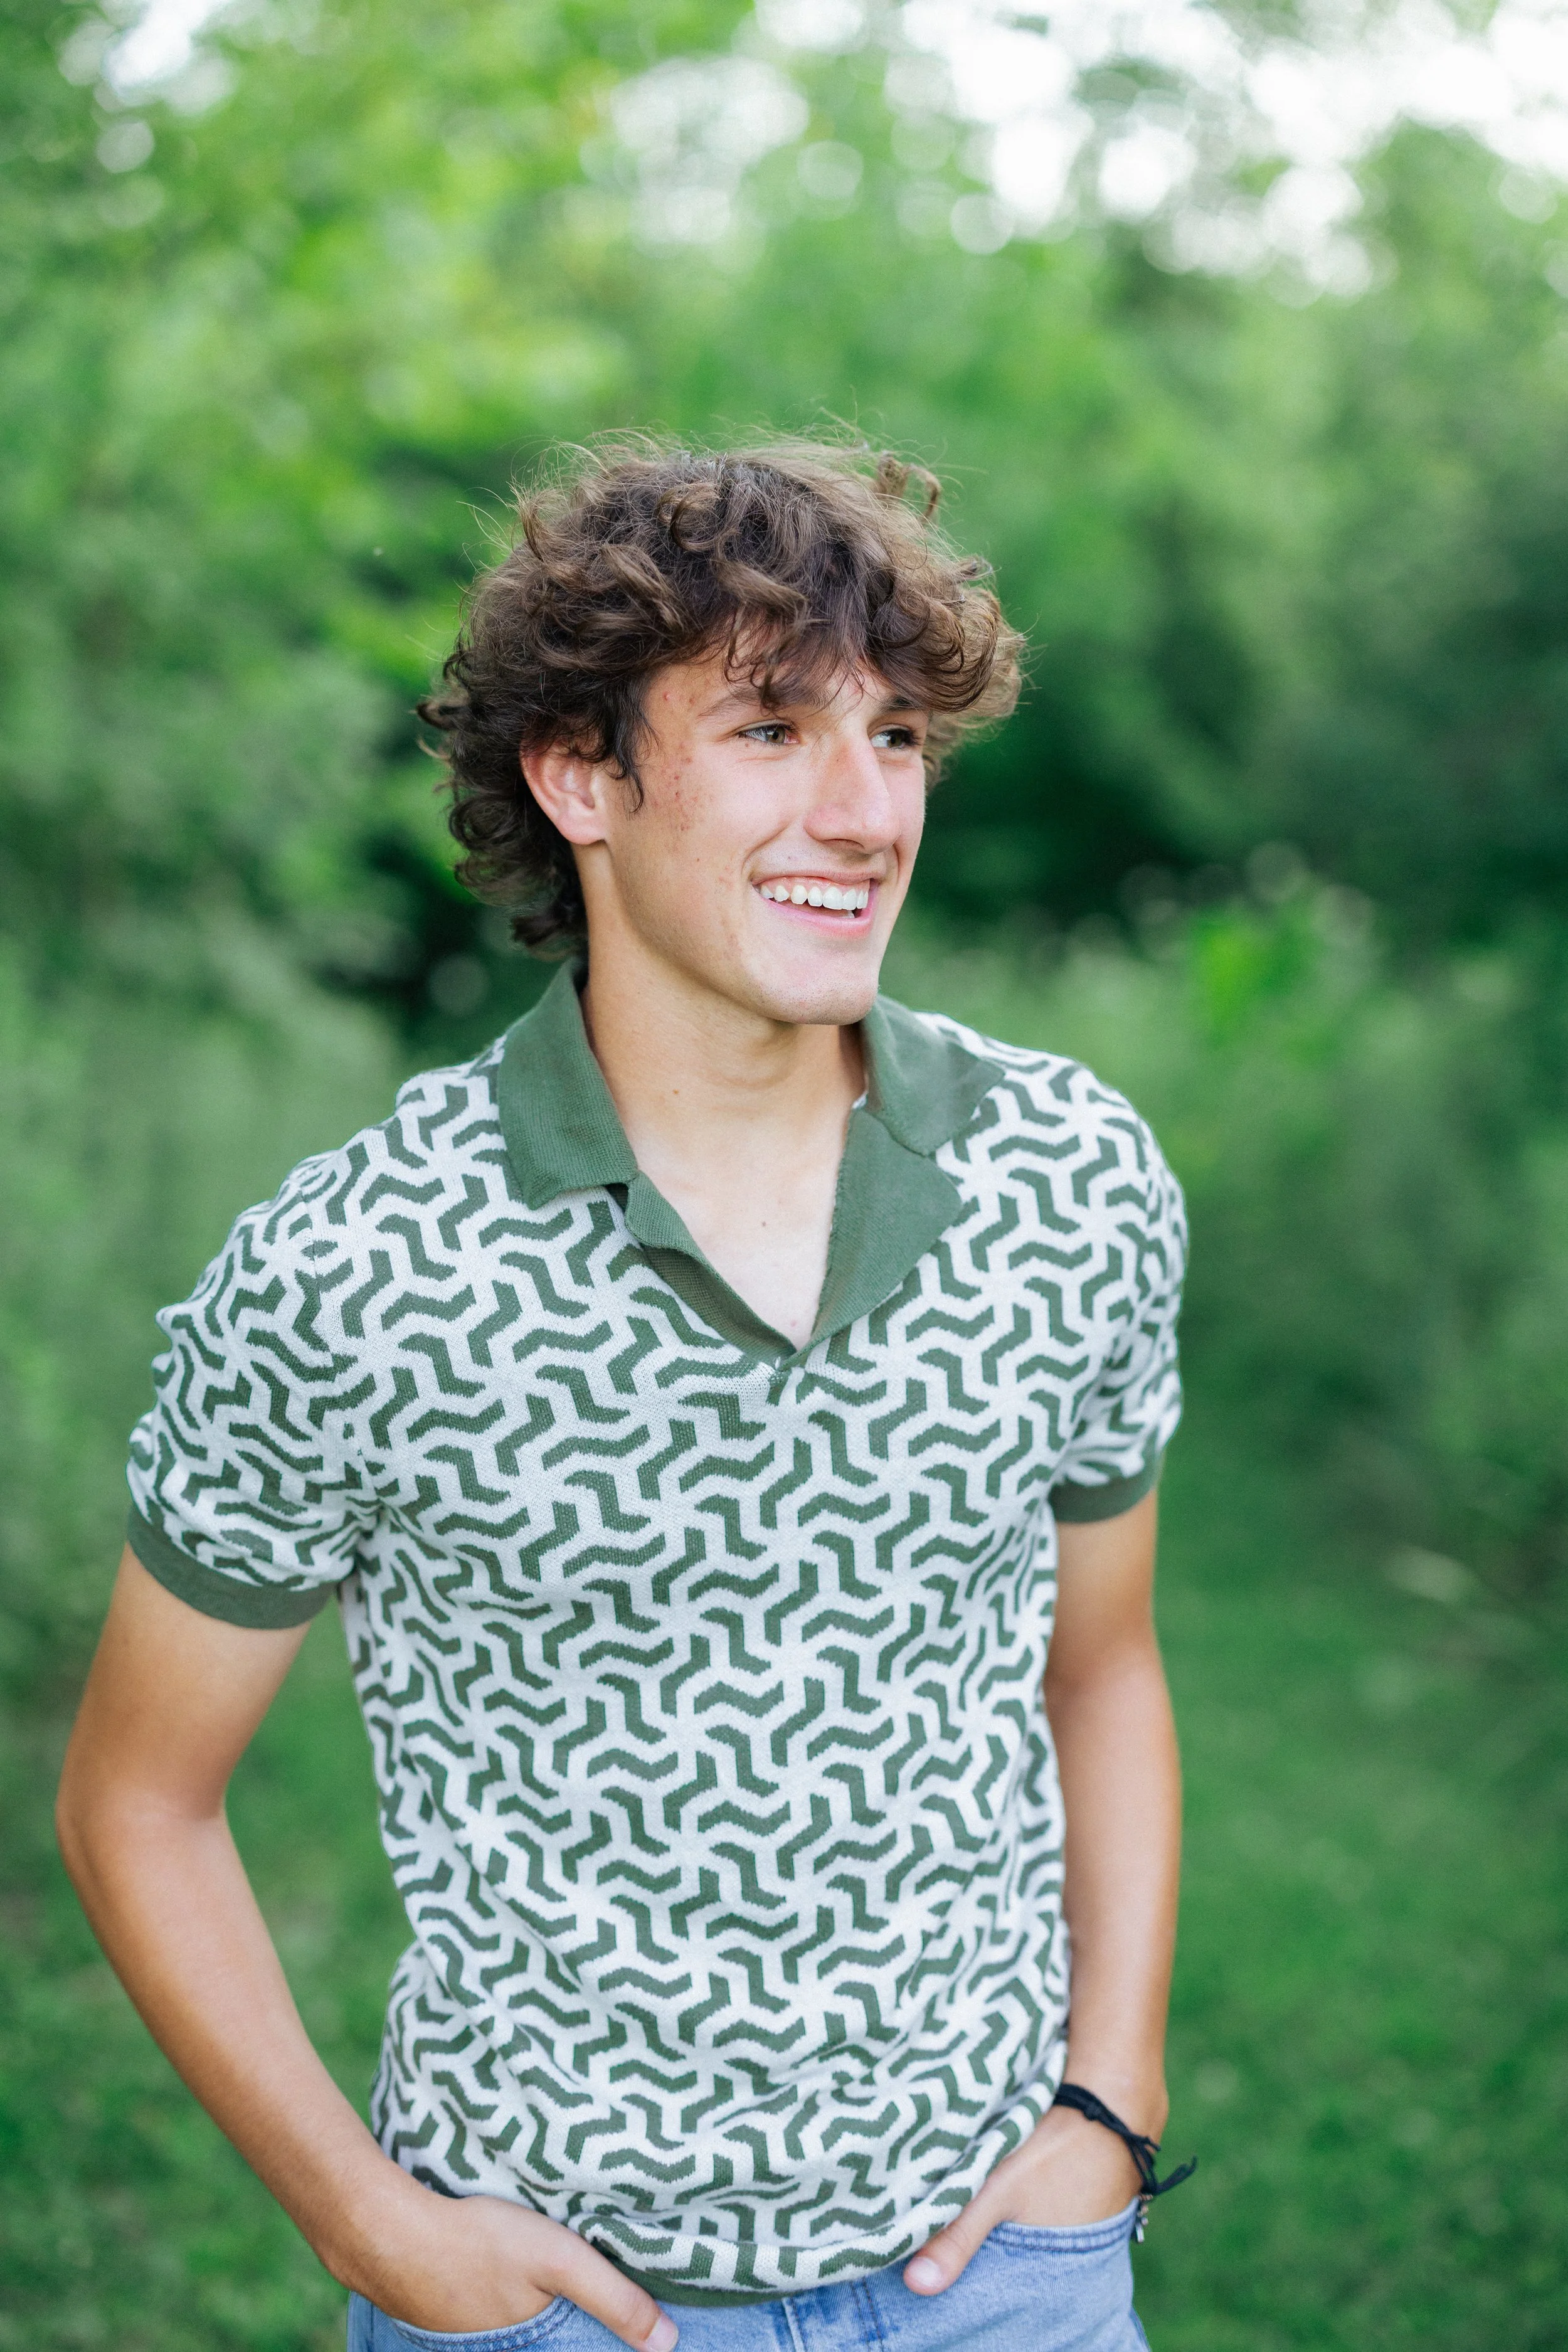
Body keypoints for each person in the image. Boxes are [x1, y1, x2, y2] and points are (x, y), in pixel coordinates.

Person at [56, 439, 1190, 2352]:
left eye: (897, 737)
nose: (861, 810)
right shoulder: (355, 1270)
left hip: (1006, 2272)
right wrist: (368, 2219)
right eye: (769, 728)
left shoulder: (1072, 1180)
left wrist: (1109, 2098)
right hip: (553, 2305)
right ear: (580, 776)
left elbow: (1104, 1666)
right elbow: (136, 1802)